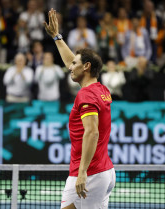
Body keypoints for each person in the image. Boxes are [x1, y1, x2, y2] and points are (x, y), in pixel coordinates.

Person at [44, 9, 115, 209]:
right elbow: (70, 62)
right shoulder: (100, 89)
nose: (69, 66)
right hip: (105, 171)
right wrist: (57, 37)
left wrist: (82, 172)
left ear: (86, 67)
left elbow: (92, 132)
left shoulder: (86, 95)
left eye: (75, 63)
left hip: (89, 173)